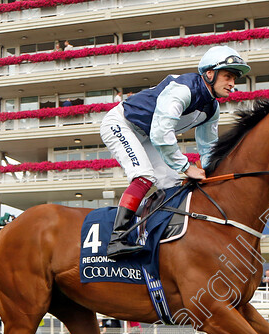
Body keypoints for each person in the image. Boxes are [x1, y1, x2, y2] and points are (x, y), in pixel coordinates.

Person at [99, 45, 250, 258]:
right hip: (121, 124)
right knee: (144, 176)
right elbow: (162, 134)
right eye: (228, 76)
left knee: (171, 185)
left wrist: (211, 173)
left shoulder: (212, 108)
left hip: (148, 135)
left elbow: (208, 147)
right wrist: (186, 167)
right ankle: (117, 239)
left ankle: (151, 234)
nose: (233, 84)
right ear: (209, 73)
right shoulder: (184, 89)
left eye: (235, 78)